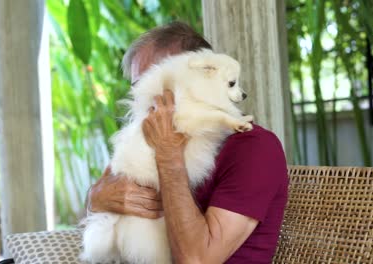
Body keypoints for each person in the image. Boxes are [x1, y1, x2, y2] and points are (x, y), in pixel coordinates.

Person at [85, 21, 288, 264]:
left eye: (152, 82)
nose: (143, 99)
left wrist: (169, 154)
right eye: (138, 87)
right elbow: (98, 217)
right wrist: (95, 198)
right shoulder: (144, 138)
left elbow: (196, 260)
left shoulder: (255, 148)